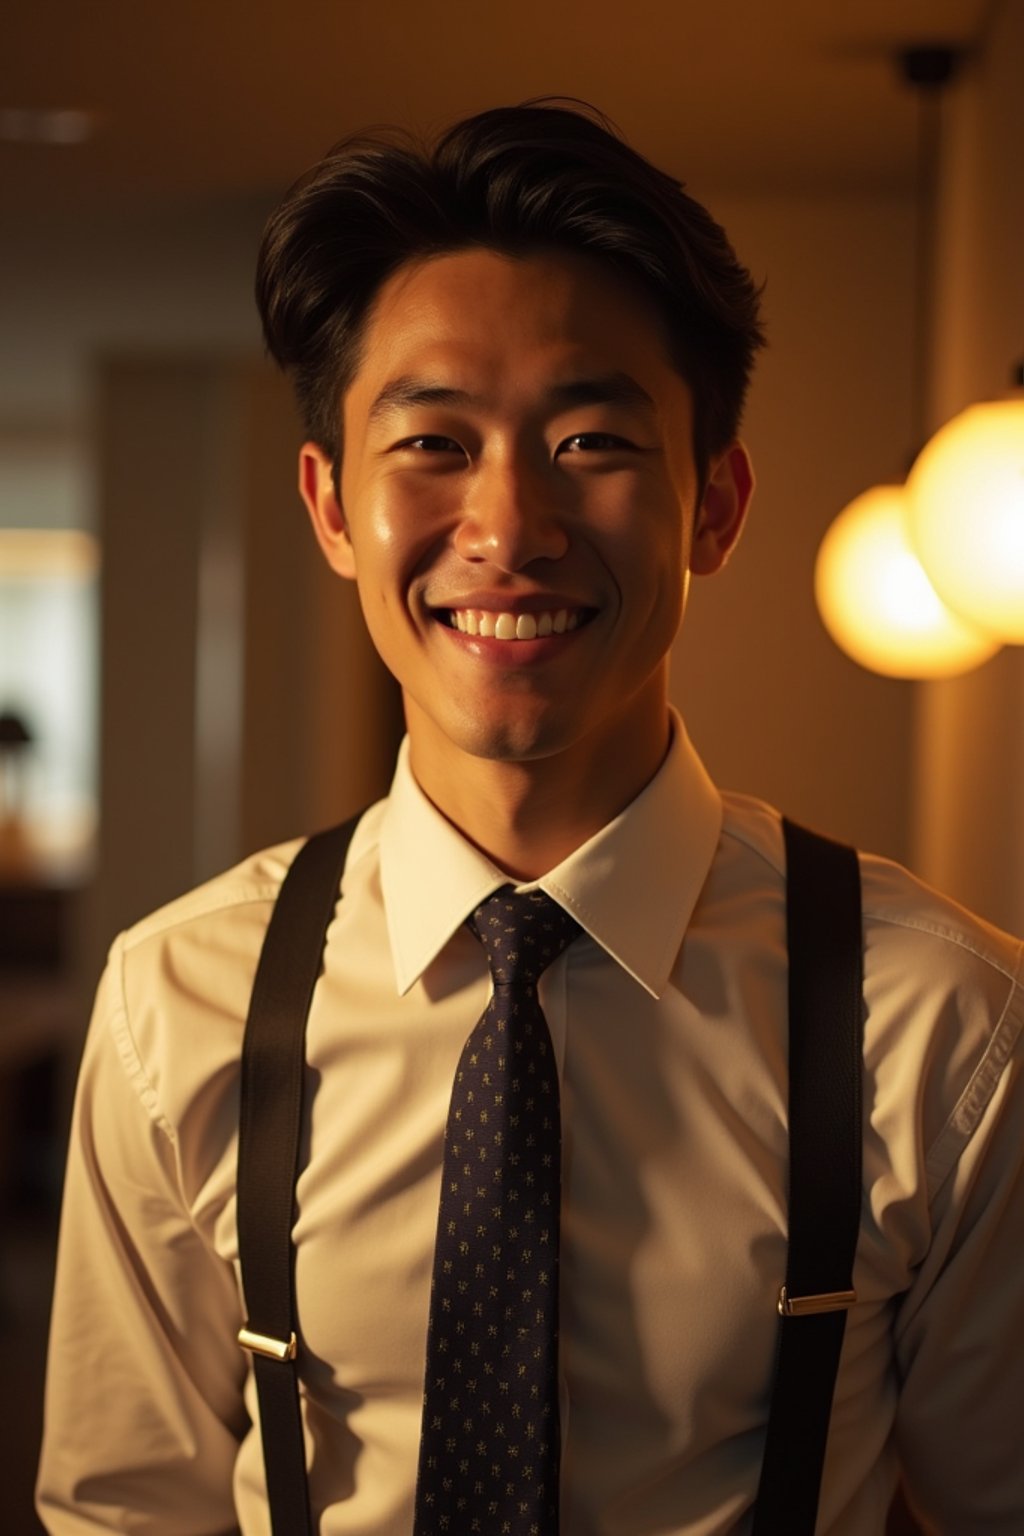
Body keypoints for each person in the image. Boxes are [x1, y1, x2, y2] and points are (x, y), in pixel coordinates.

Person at [37, 101, 1023, 1535]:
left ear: (716, 505)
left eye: (591, 438)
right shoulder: (177, 1004)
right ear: (329, 507)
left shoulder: (941, 1025)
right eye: (432, 442)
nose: (508, 526)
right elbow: (122, 1511)